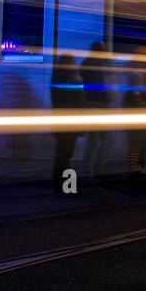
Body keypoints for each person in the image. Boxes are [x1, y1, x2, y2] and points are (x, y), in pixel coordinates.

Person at [50, 54, 84, 193]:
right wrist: (78, 82)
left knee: (63, 154)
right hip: (69, 122)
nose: (75, 64)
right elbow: (75, 99)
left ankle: (64, 184)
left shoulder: (58, 76)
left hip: (64, 121)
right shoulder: (68, 78)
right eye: (73, 62)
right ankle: (65, 186)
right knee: (65, 154)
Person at [79, 41, 113, 180]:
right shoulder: (94, 65)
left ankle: (94, 169)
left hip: (97, 105)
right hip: (96, 105)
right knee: (98, 140)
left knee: (100, 140)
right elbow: (99, 86)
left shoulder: (88, 64)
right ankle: (90, 171)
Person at [124, 45, 146, 176]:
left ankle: (140, 165)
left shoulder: (143, 71)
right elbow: (139, 92)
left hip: (145, 109)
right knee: (137, 141)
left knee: (141, 140)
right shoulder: (138, 72)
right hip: (141, 110)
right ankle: (135, 167)